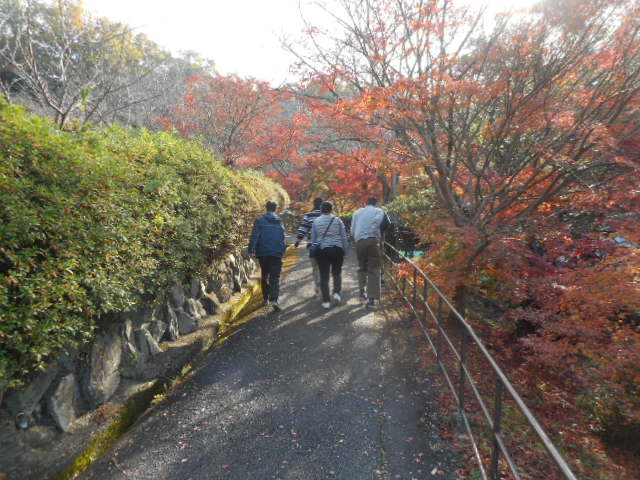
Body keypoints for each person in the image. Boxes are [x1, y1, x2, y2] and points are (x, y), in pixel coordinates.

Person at [351, 197, 390, 308]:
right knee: (373, 269)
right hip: (373, 240)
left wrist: (358, 238)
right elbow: (381, 224)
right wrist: (376, 234)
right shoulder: (379, 211)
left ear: (365, 203)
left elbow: (352, 230)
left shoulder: (357, 212)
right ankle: (371, 300)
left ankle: (361, 292)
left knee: (361, 266)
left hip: (359, 242)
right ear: (376, 203)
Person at [248, 201, 286, 312]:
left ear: (266, 208)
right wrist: (282, 251)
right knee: (275, 276)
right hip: (276, 253)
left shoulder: (260, 220)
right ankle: (274, 300)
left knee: (265, 275)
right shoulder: (280, 221)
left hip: (263, 252)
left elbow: (255, 235)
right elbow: (283, 237)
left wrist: (251, 250)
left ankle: (265, 299)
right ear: (276, 209)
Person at [311, 201, 349, 309]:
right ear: (331, 210)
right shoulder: (337, 220)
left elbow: (313, 240)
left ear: (321, 209)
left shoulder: (316, 221)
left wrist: (313, 252)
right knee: (337, 273)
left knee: (324, 276)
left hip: (323, 251)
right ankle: (336, 293)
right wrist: (345, 251)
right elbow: (344, 237)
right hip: (337, 250)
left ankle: (326, 301)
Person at [293, 197, 323, 297]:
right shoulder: (328, 215)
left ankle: (317, 288)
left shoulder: (309, 215)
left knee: (315, 268)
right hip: (326, 245)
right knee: (324, 267)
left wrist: (298, 241)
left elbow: (303, 229)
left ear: (313, 204)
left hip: (312, 244)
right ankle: (323, 287)